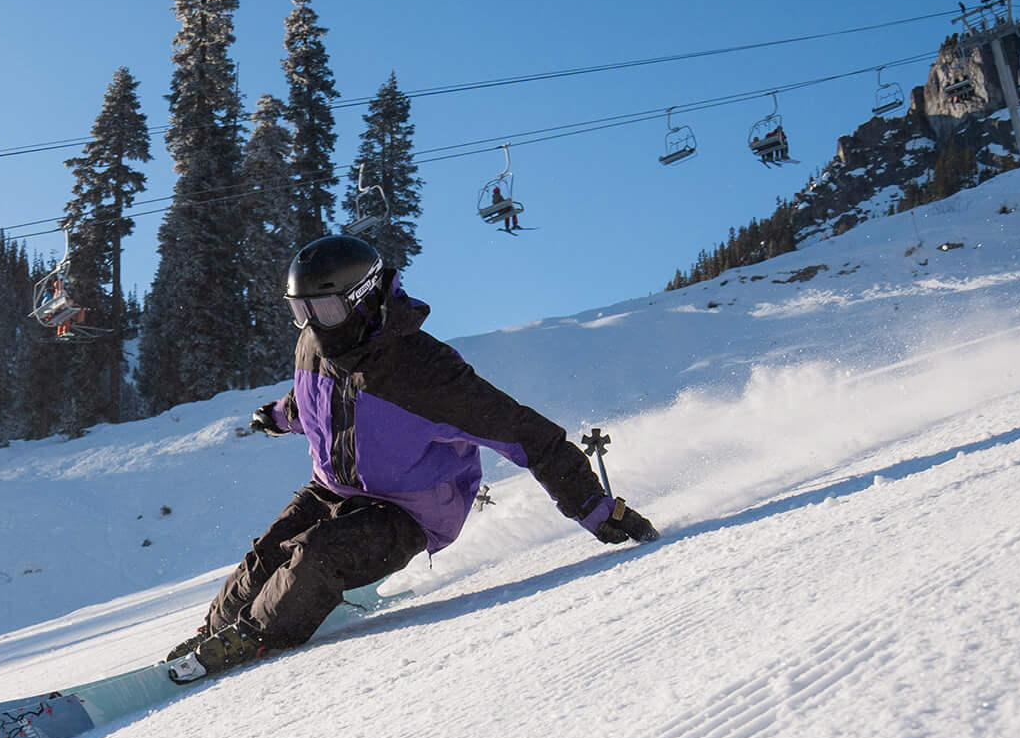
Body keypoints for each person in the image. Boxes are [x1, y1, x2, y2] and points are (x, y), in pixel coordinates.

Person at [168, 234, 658, 682]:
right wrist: (278, 416)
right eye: (301, 311)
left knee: (316, 556)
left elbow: (529, 437)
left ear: (362, 300)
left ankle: (253, 641)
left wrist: (595, 508)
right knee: (265, 556)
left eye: (324, 310)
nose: (313, 324)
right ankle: (211, 635)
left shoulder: (426, 374)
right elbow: (316, 401)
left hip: (411, 510)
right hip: (333, 488)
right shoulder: (312, 347)